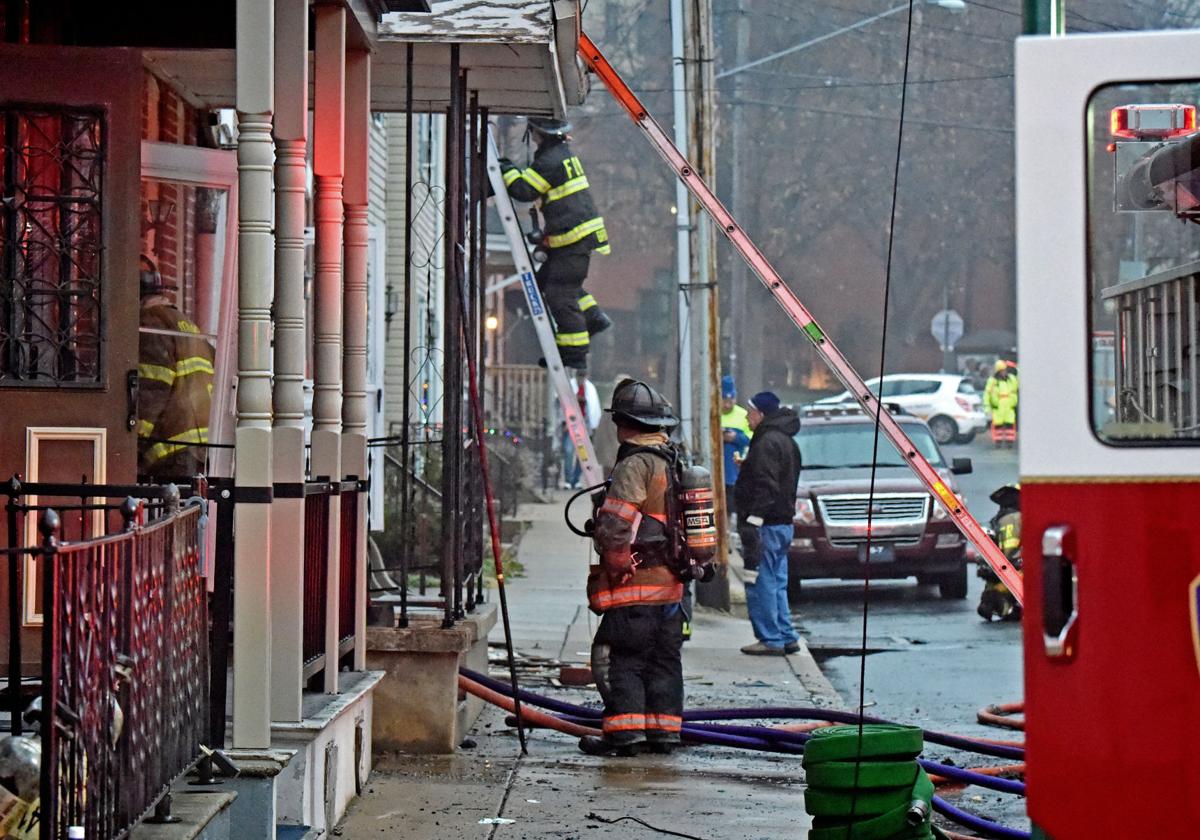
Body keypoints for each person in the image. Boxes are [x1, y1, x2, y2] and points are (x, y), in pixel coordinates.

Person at [581, 379, 685, 756]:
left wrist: (615, 561)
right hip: (672, 588)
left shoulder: (635, 464)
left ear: (624, 423)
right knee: (663, 662)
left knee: (619, 659)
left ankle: (624, 736)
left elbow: (616, 525)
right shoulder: (675, 461)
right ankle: (665, 734)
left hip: (636, 586)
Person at [500, 117, 612, 372]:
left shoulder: (550, 161)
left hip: (573, 240)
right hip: (574, 240)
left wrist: (504, 168)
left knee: (560, 295)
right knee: (553, 283)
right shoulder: (560, 155)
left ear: (538, 133)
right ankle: (593, 318)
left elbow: (523, 191)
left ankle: (574, 353)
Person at [734, 391, 802, 656]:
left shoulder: (765, 443)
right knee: (777, 582)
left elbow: (767, 485)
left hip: (766, 524)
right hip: (783, 523)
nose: (747, 418)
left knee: (760, 581)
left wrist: (754, 519)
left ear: (761, 414)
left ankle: (770, 638)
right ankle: (786, 635)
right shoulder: (786, 441)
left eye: (749, 412)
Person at [138, 255, 215, 478]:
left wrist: (132, 444)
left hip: (175, 449)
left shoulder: (151, 326)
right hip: (203, 448)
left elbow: (150, 390)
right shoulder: (186, 325)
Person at [560, 374, 602, 489]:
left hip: (584, 426)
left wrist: (593, 426)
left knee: (582, 454)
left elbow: (593, 408)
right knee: (568, 451)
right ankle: (568, 479)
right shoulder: (570, 386)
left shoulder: (590, 388)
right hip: (571, 425)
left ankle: (576, 479)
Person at [719, 375, 751, 523]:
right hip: (717, 472)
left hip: (735, 472)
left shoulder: (743, 415)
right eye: (724, 401)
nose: (727, 405)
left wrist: (736, 438)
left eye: (730, 401)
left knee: (733, 510)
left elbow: (752, 439)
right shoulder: (712, 414)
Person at [985, 360, 1019, 448]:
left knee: (1010, 426)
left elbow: (1019, 381)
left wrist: (1016, 367)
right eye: (1002, 370)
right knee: (998, 426)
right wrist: (987, 408)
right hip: (998, 407)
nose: (1004, 372)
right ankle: (998, 443)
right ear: (998, 371)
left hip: (1009, 406)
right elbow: (987, 394)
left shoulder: (1011, 379)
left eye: (1005, 370)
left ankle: (1009, 443)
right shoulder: (992, 381)